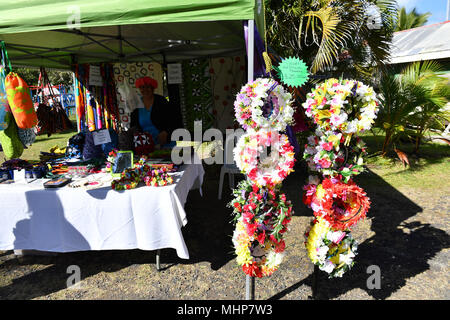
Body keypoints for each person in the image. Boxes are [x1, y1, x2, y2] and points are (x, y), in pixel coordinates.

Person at [130, 76, 182, 148]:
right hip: (145, 145)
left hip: (165, 143)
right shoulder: (136, 104)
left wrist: (166, 132)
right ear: (139, 89)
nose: (145, 90)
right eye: (142, 87)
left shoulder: (161, 101)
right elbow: (133, 126)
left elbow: (174, 120)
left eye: (148, 87)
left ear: (153, 88)